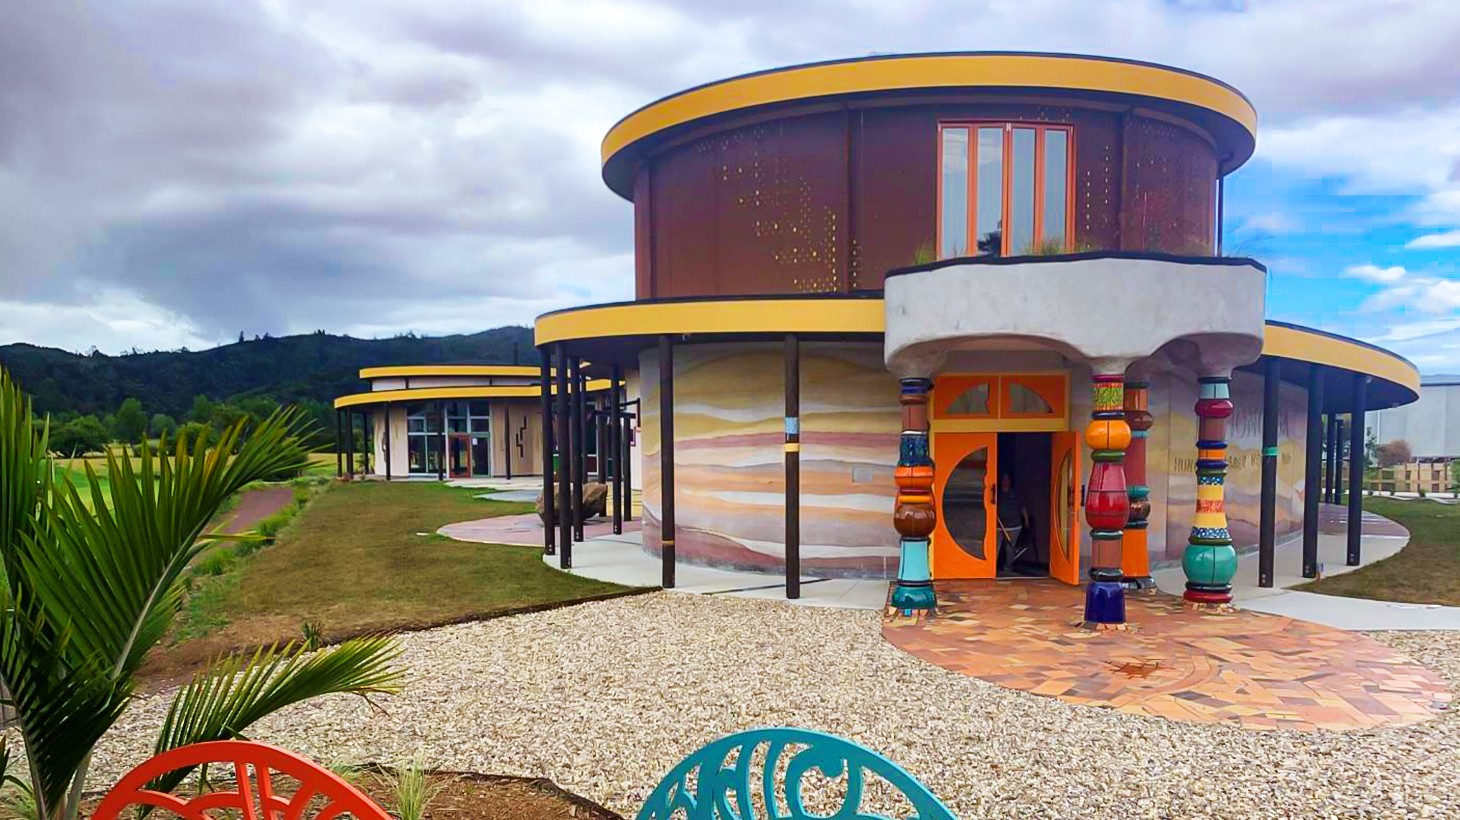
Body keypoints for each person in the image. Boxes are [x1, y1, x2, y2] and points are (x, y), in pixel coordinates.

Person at [996, 472, 1030, 573]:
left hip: (1014, 526)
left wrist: (1026, 520)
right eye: (1003, 479)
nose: (1005, 482)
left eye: (1007, 479)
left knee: (1010, 548)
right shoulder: (996, 493)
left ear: (1010, 481)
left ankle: (1007, 567)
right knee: (995, 547)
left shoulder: (1016, 493)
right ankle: (991, 568)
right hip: (998, 525)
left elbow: (1023, 507)